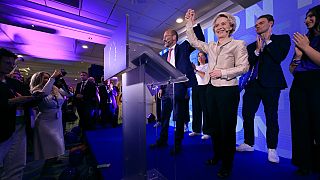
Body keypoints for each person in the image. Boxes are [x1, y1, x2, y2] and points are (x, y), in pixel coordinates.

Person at [185, 9, 249, 178]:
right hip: (210, 90)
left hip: (228, 90)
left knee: (227, 129)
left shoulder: (238, 44)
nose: (219, 27)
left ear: (230, 26)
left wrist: (223, 72)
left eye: (223, 24)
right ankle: (217, 156)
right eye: (217, 25)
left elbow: (244, 67)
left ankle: (227, 164)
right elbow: (193, 41)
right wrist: (189, 23)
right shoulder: (211, 46)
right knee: (214, 127)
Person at [236, 14, 291, 164]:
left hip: (271, 84)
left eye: (261, 23)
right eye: (256, 24)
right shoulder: (251, 46)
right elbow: (248, 65)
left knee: (271, 116)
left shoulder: (282, 39)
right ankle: (248, 143)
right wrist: (257, 51)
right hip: (252, 84)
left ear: (271, 23)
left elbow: (278, 57)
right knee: (247, 114)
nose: (257, 26)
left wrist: (267, 42)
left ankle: (272, 148)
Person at [150, 16, 205, 155]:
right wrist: (161, 88)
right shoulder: (163, 56)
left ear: (174, 37)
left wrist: (192, 23)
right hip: (167, 88)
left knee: (179, 118)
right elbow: (162, 73)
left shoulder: (184, 47)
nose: (163, 39)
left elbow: (199, 38)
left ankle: (177, 145)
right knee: (164, 117)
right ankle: (162, 141)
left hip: (181, 86)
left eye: (166, 36)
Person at [289, 5, 320, 175]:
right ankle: (304, 164)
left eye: (311, 16)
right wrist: (299, 56)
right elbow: (292, 70)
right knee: (300, 126)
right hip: (299, 84)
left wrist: (306, 48)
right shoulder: (305, 39)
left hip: (316, 83)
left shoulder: (307, 43)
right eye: (306, 17)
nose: (306, 20)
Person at [0, 48, 36, 180]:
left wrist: (33, 98)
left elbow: (28, 98)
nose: (11, 66)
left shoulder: (14, 83)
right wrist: (10, 102)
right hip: (3, 129)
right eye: (7, 63)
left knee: (17, 165)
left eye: (12, 63)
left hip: (20, 128)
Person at [30, 70, 72, 163]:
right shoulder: (36, 91)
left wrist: (62, 83)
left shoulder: (54, 88)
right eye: (45, 78)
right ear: (38, 79)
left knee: (56, 142)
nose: (47, 79)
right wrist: (52, 78)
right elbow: (44, 94)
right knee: (49, 143)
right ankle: (48, 164)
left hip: (57, 119)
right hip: (45, 121)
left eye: (48, 77)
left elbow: (69, 94)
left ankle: (53, 161)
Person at [189, 51, 210, 140]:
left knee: (206, 110)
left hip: (205, 88)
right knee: (196, 109)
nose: (200, 58)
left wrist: (195, 70)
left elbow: (205, 76)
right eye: (198, 56)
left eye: (202, 56)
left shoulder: (208, 66)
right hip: (195, 88)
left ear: (205, 57)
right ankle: (196, 130)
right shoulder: (196, 67)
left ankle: (207, 131)